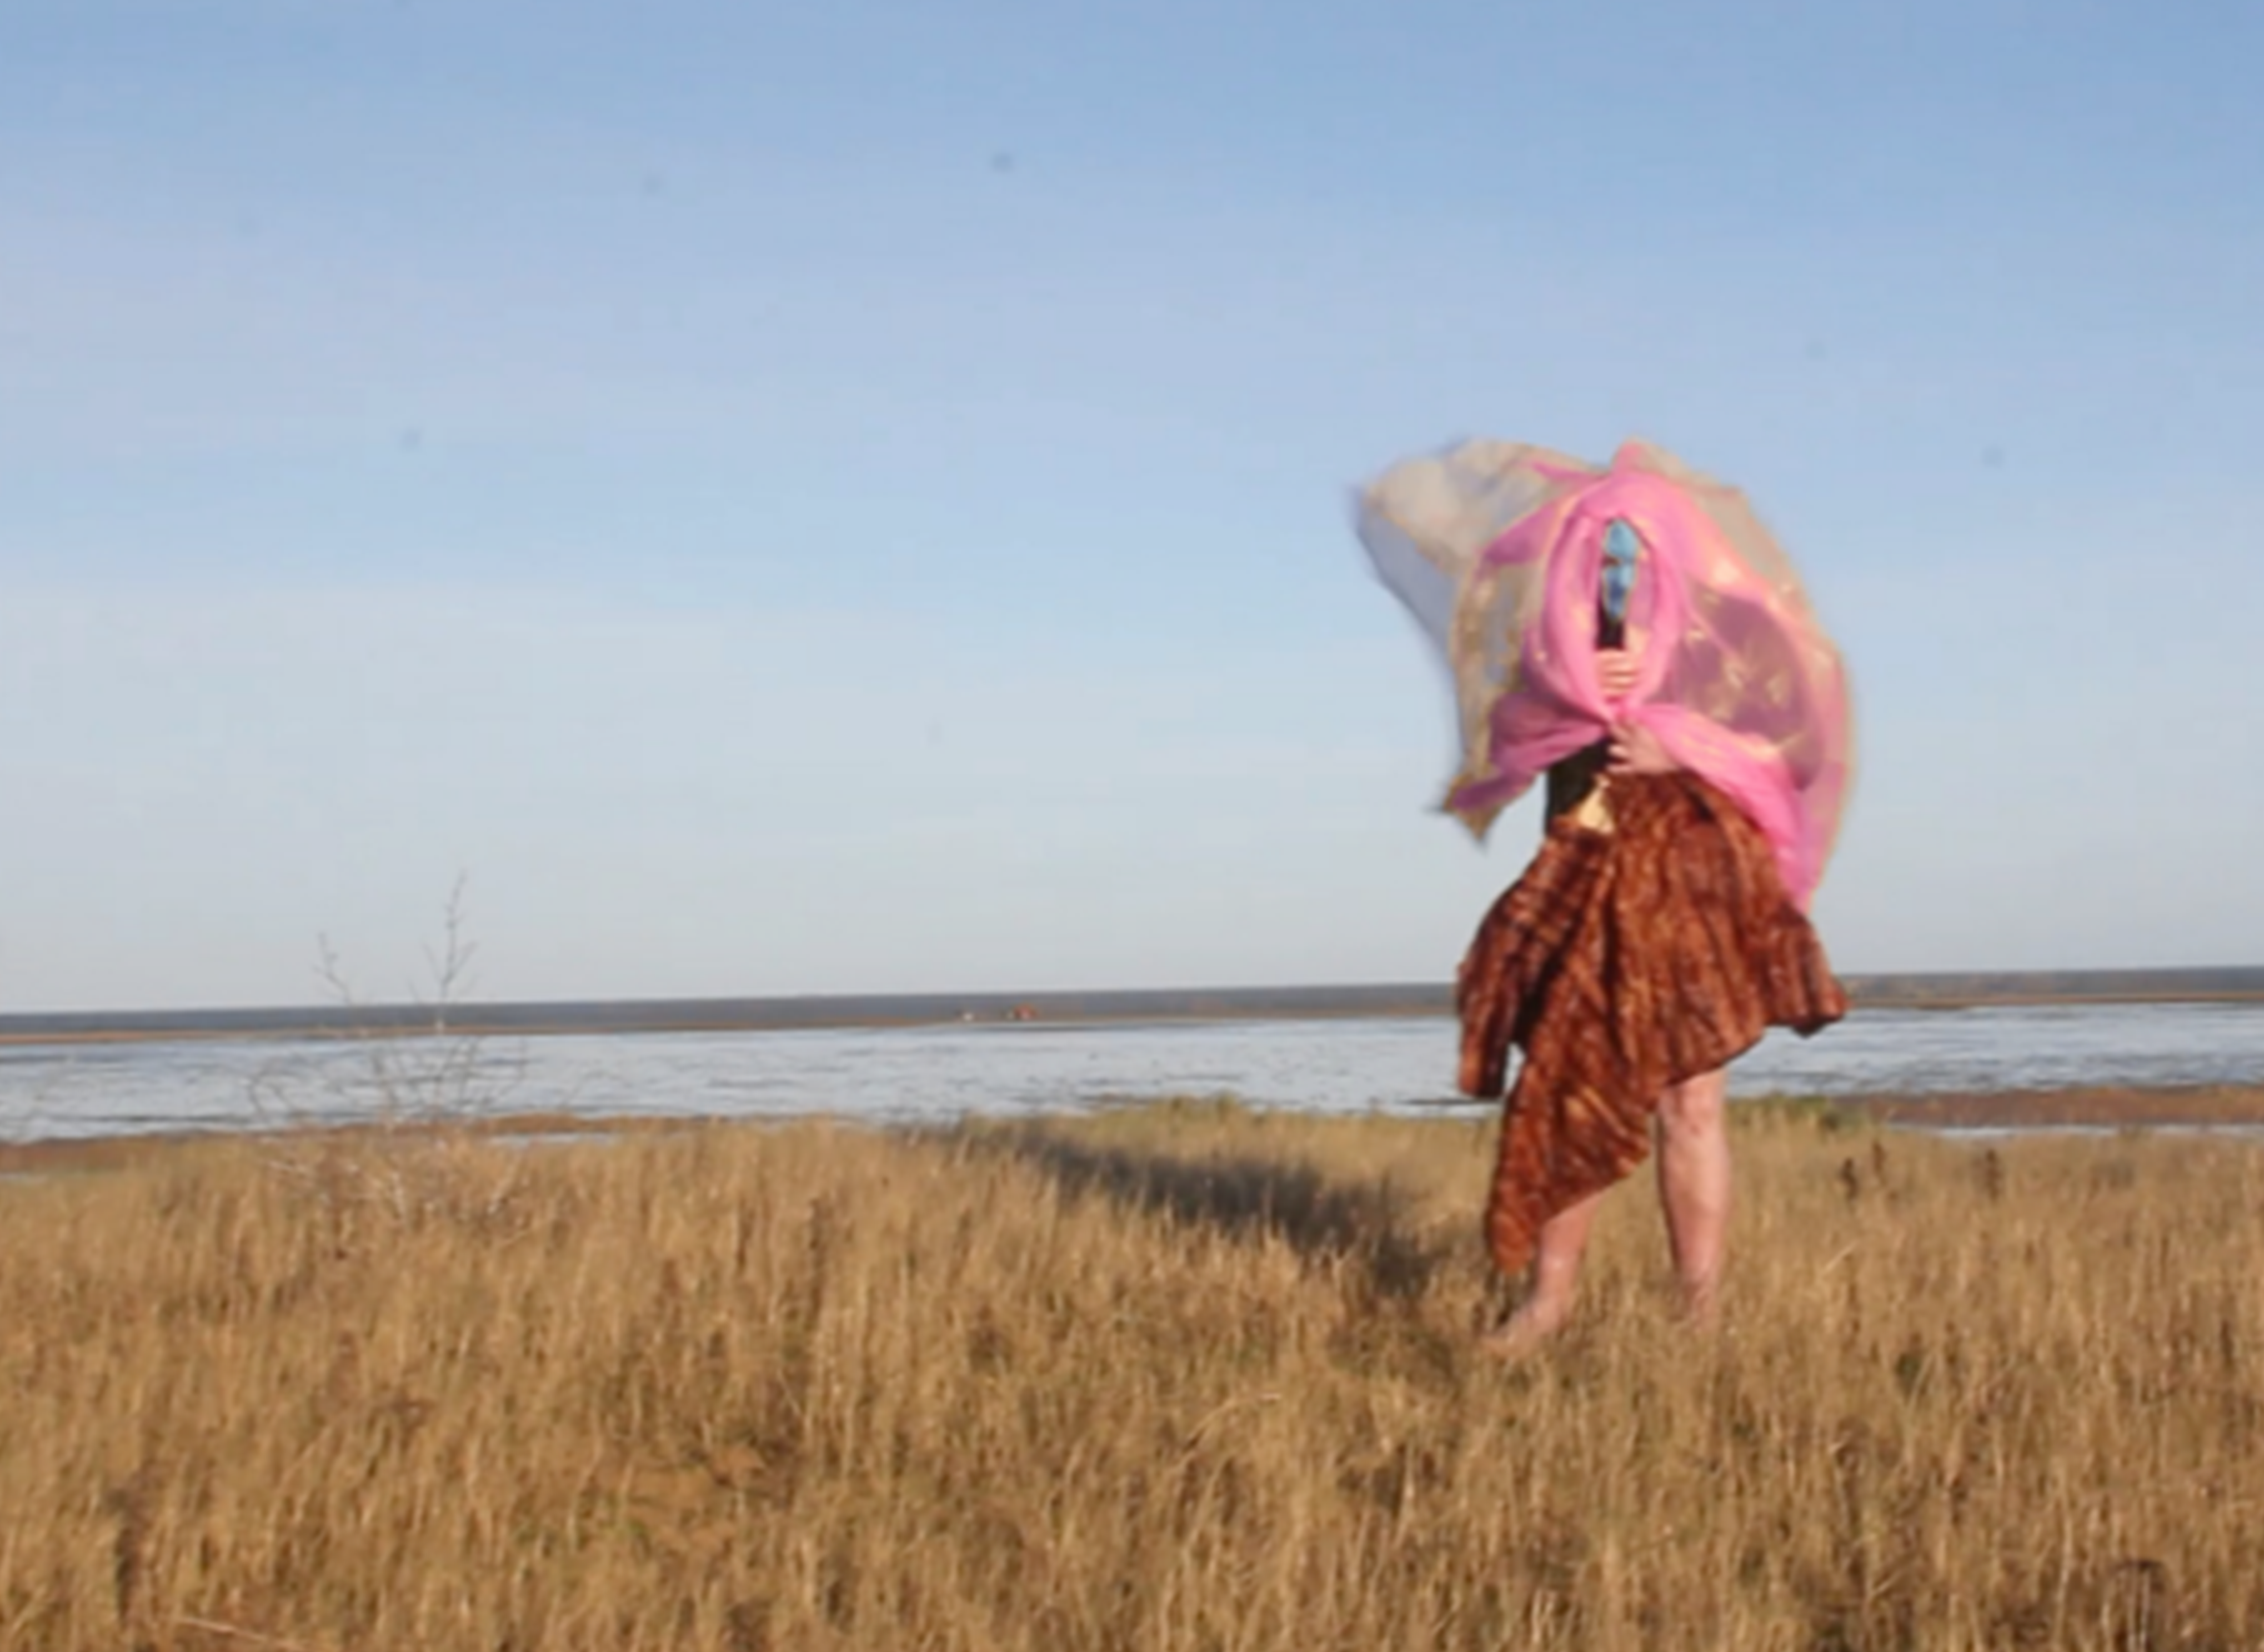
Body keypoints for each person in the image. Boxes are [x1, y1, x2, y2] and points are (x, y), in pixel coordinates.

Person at [1353, 440, 1852, 1358]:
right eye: (1607, 543)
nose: (1623, 557)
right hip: (1588, 868)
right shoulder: (1560, 633)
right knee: (1571, 1081)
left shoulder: (1734, 637)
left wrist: (1681, 742)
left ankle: (1700, 1320)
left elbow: (1800, 749)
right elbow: (1512, 724)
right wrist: (1577, 688)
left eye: (1639, 541)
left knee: (1693, 1104)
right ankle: (1548, 1307)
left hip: (1702, 883)